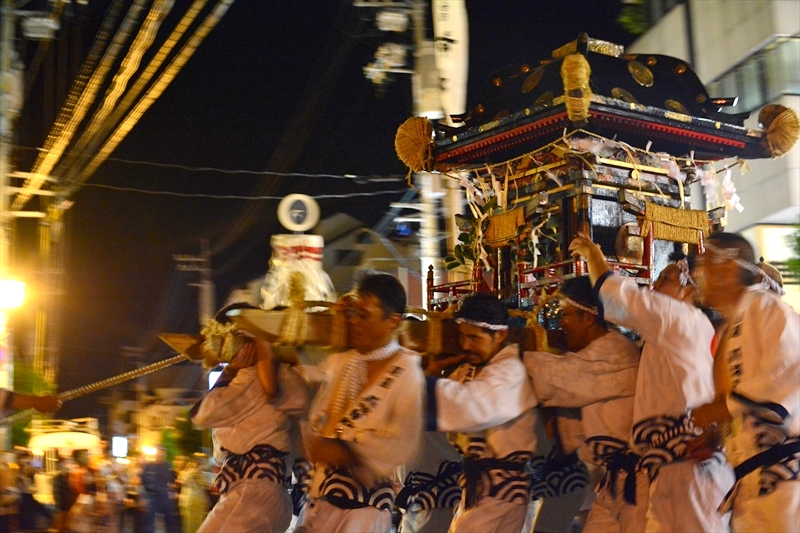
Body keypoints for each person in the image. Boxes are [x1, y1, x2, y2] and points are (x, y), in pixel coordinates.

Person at [569, 232, 735, 532]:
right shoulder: (678, 330)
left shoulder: (680, 318)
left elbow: (624, 298)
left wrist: (594, 256)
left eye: (665, 280)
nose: (655, 287)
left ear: (690, 291)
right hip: (670, 468)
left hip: (692, 467)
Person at [294, 272, 424, 533]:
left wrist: (348, 454)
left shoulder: (406, 369)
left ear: (392, 321)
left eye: (363, 315)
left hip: (363, 508)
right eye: (352, 313)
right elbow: (304, 381)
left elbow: (402, 443)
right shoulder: (345, 361)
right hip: (320, 499)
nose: (353, 322)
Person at [690, 232, 799, 532]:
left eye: (704, 266)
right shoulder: (729, 326)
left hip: (785, 479)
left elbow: (789, 376)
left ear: (727, 270)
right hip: (751, 482)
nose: (697, 275)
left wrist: (722, 409)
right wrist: (719, 436)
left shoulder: (767, 308)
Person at [524, 276, 644, 532]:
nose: (560, 323)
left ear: (588, 318)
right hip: (611, 481)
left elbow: (556, 378)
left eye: (566, 315)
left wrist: (513, 352)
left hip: (636, 482)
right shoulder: (593, 353)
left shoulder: (613, 351)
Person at [424, 293, 539, 533]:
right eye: (463, 336)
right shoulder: (469, 370)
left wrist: (425, 383)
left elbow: (472, 407)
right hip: (482, 489)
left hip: (500, 490)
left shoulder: (511, 370)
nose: (466, 345)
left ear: (500, 335)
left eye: (474, 338)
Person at [191, 305, 308, 533]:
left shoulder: (252, 375)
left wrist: (230, 372)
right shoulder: (283, 374)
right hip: (264, 493)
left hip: (254, 492)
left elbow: (202, 413)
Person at [140, 447, 177, 533]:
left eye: (162, 453)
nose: (160, 455)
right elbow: (142, 481)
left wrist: (172, 493)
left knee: (169, 521)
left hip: (164, 497)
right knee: (149, 523)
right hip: (151, 497)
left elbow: (172, 481)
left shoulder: (168, 466)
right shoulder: (148, 466)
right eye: (159, 453)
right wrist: (143, 498)